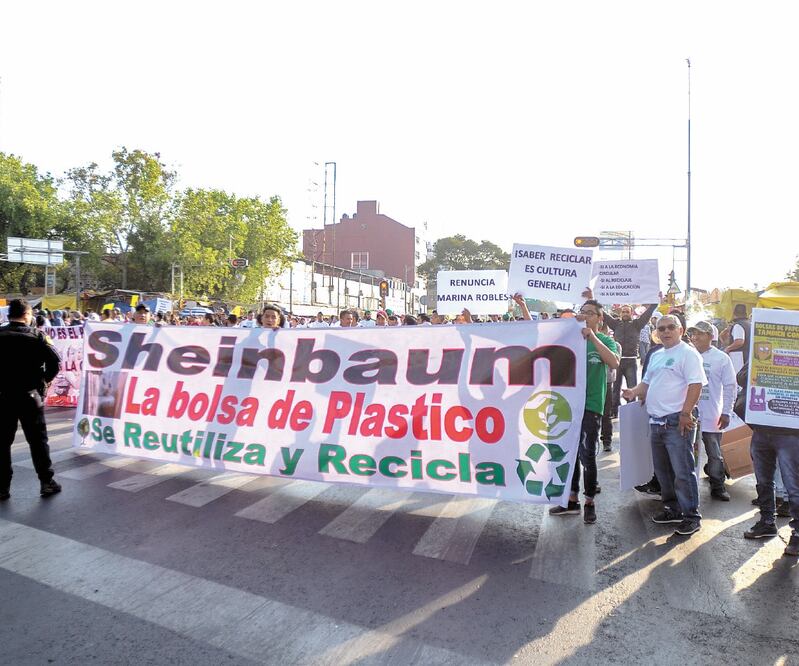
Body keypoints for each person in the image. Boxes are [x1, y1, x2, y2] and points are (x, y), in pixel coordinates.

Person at [623, 314, 707, 536]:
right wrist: (633, 391)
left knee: (682, 471)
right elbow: (647, 382)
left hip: (676, 421)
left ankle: (691, 516)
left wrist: (686, 413)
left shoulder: (688, 354)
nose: (666, 332)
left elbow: (695, 385)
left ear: (681, 330)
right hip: (656, 422)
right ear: (656, 333)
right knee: (663, 472)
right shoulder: (658, 354)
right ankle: (672, 508)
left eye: (671, 327)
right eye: (661, 329)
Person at [0, 299, 62, 500]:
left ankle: (2, 488)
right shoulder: (38, 336)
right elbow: (55, 363)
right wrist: (45, 381)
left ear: (9, 315)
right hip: (30, 395)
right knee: (38, 442)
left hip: (2, 397)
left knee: (1, 443)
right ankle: (46, 482)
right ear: (27, 315)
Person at [738, 364, 799, 556]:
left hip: (791, 433)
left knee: (793, 486)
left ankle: (797, 533)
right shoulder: (764, 349)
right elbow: (741, 378)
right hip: (762, 428)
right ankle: (766, 522)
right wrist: (759, 366)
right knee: (763, 481)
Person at [687, 321, 737, 501]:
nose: (695, 337)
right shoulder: (687, 355)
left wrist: (726, 412)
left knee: (714, 453)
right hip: (687, 415)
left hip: (711, 414)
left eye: (699, 333)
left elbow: (731, 387)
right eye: (692, 334)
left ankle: (717, 485)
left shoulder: (721, 358)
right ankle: (686, 489)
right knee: (686, 453)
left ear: (710, 336)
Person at [603, 300, 659, 417]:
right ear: (620, 313)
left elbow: (648, 313)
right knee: (615, 389)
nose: (625, 314)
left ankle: (631, 413)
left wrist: (655, 302)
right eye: (623, 312)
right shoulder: (615, 324)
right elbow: (604, 314)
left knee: (632, 388)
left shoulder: (637, 324)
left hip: (631, 361)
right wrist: (592, 300)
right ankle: (614, 412)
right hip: (617, 361)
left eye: (627, 312)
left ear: (631, 313)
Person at [724, 304, 750, 374]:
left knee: (737, 379)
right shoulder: (749, 324)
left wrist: (728, 349)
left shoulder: (738, 325)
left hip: (739, 358)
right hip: (747, 357)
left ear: (734, 313)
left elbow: (739, 341)